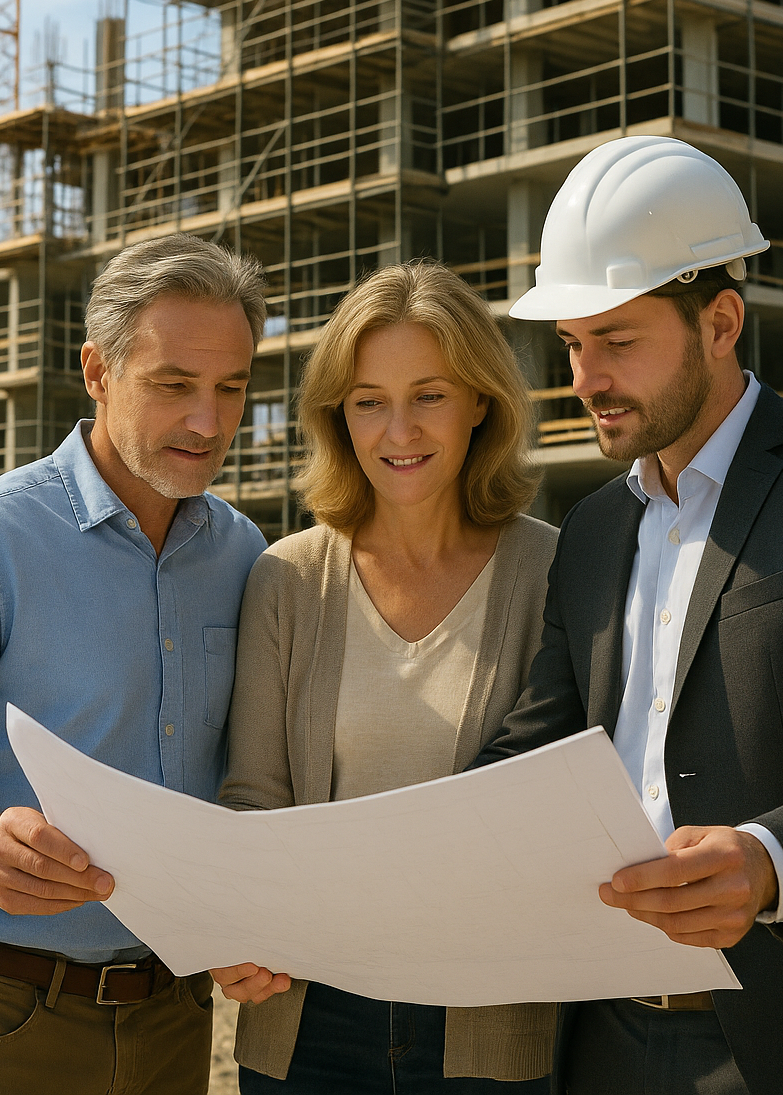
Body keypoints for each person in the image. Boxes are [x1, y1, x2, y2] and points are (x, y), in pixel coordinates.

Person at [472, 134, 783, 1095]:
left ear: (721, 322)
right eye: (573, 345)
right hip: (601, 1038)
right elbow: (537, 752)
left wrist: (769, 858)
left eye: (618, 340)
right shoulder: (590, 529)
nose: (586, 378)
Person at [0, 235, 269, 1095]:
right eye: (174, 385)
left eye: (231, 389)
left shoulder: (247, 554)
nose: (208, 422)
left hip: (177, 1019)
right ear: (98, 372)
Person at [212, 261, 560, 1093]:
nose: (397, 430)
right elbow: (252, 800)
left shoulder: (554, 570)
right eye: (369, 400)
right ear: (339, 415)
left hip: (489, 1024)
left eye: (429, 394)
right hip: (307, 1017)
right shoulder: (286, 579)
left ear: (481, 400)